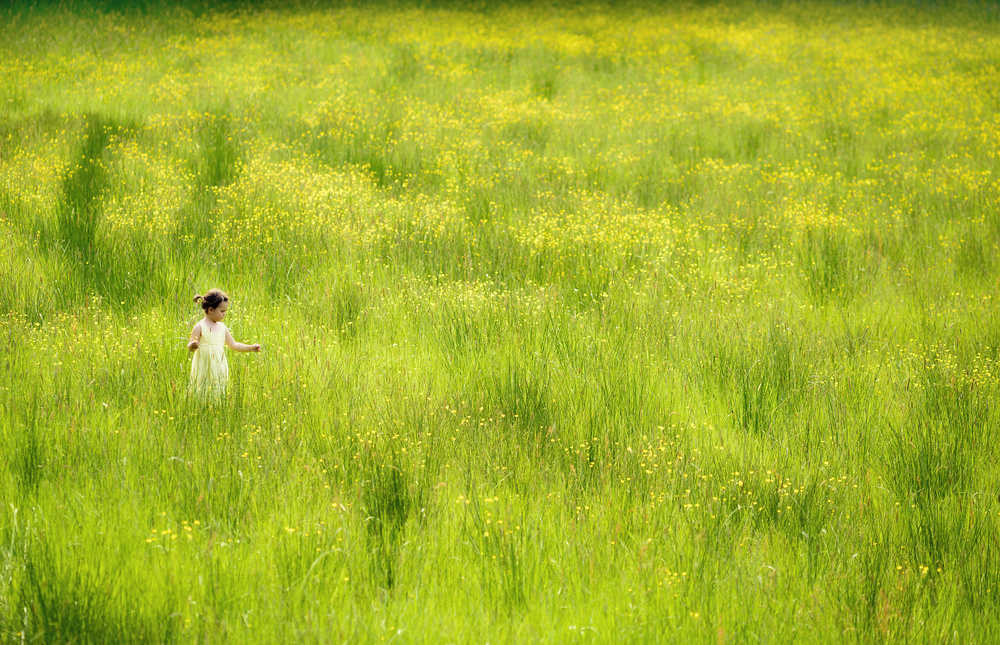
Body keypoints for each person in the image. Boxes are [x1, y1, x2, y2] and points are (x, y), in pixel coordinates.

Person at [187, 289, 260, 401]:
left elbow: (234, 345)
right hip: (203, 365)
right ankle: (199, 408)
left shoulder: (222, 328)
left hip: (218, 366)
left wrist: (250, 348)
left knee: (216, 389)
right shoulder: (199, 326)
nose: (224, 314)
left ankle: (215, 408)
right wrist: (193, 345)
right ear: (211, 310)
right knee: (201, 387)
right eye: (222, 311)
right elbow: (190, 347)